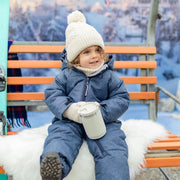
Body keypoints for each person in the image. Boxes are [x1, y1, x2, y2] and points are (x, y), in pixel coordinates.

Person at [40, 10, 130, 180]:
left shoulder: (109, 76)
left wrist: (101, 110)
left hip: (104, 123)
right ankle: (55, 165)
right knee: (60, 137)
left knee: (113, 149)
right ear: (74, 58)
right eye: (86, 52)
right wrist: (69, 110)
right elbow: (52, 94)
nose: (95, 55)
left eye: (98, 50)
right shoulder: (66, 76)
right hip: (70, 121)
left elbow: (121, 98)